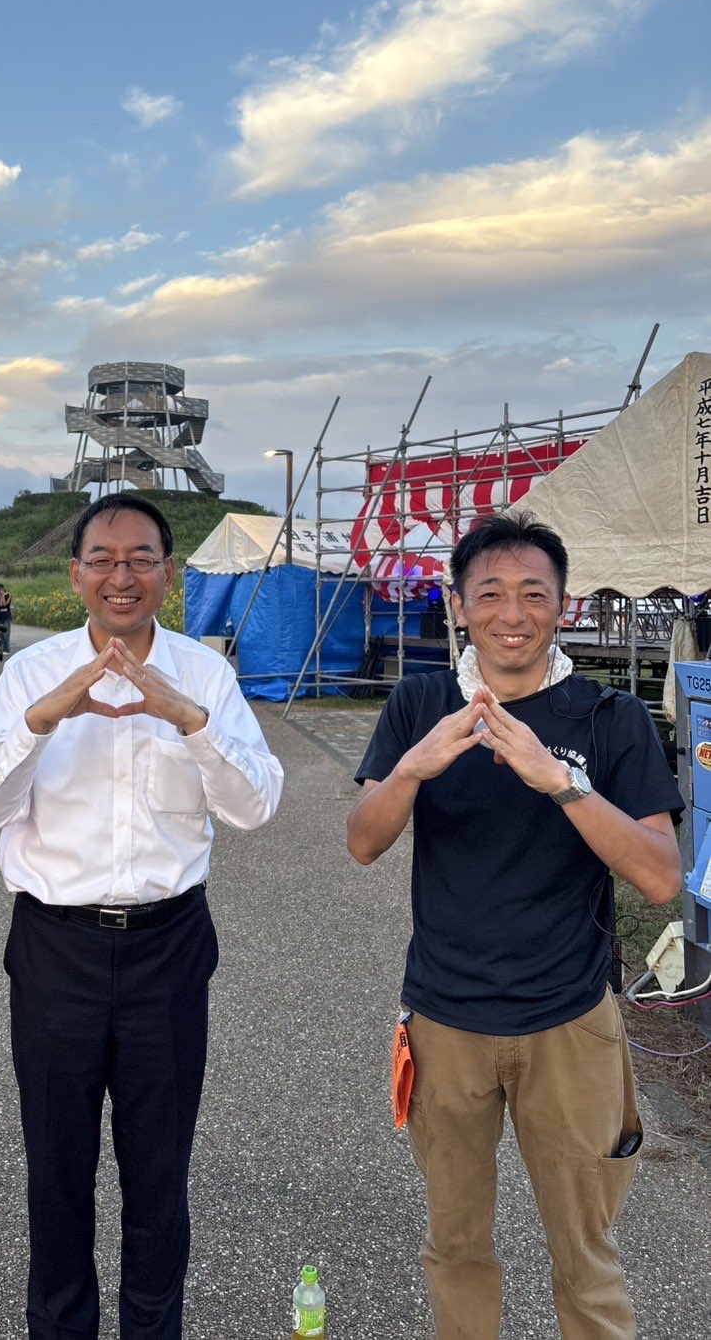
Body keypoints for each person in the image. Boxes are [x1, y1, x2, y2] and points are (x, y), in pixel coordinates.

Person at [346, 512, 683, 1340]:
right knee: (455, 1242)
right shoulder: (422, 702)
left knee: (586, 1250)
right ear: (459, 605)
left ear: (562, 606)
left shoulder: (609, 718)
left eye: (535, 593)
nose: (512, 612)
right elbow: (362, 841)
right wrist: (416, 764)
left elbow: (659, 875)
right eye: (489, 592)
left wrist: (557, 780)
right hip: (445, 1019)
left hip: (570, 1022)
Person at [0, 492, 284, 1340]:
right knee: (56, 1171)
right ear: (75, 576)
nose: (122, 575)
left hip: (167, 947)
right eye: (102, 558)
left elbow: (255, 806)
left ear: (169, 573)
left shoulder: (205, 674)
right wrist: (42, 716)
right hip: (55, 946)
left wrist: (189, 720)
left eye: (141, 557)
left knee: (158, 1171)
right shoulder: (33, 673)